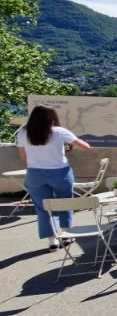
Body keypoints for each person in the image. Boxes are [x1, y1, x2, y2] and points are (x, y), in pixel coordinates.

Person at [16, 105, 91, 250]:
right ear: (51, 117)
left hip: (35, 174)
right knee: (65, 203)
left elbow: (23, 157)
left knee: (43, 208)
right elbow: (85, 146)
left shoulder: (23, 133)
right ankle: (66, 234)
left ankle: (52, 241)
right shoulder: (59, 131)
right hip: (60, 173)